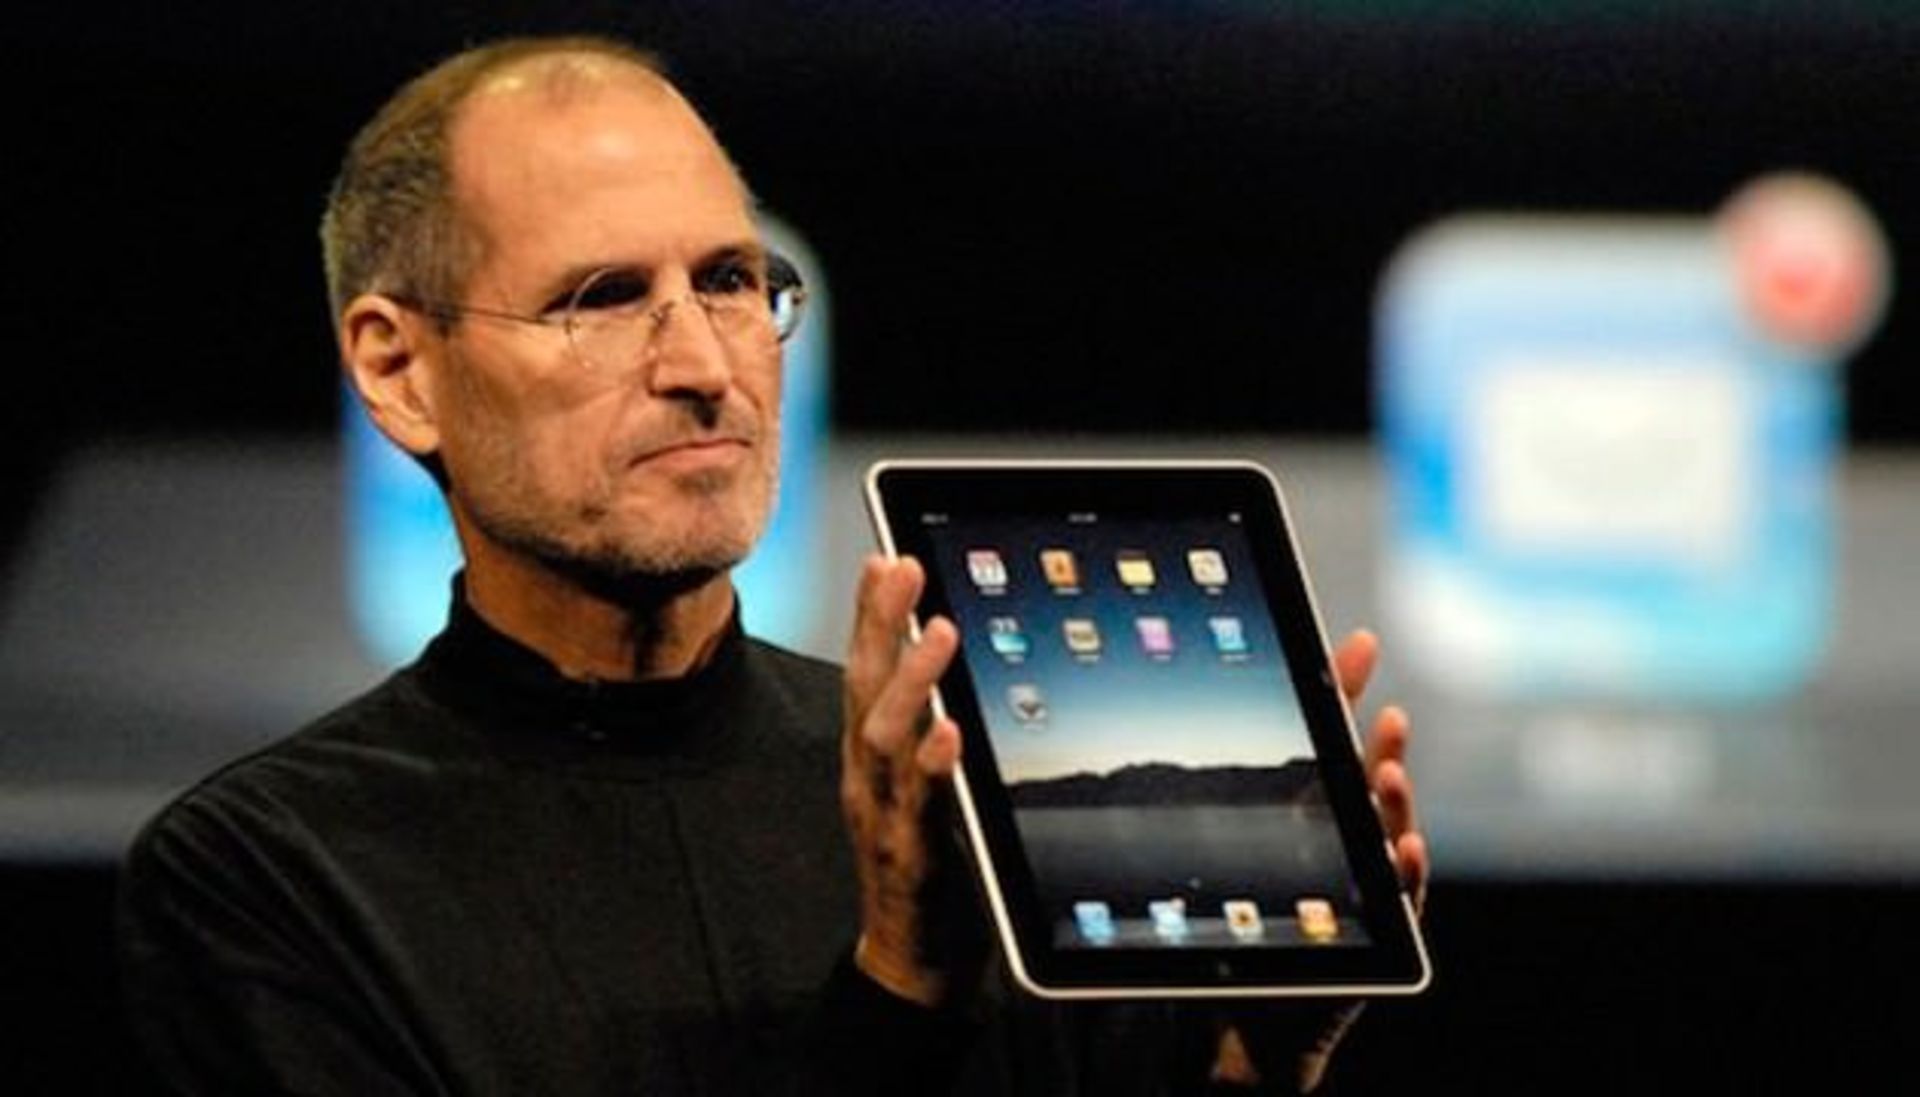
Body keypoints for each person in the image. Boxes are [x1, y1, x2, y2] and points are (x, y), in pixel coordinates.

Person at [115, 34, 1428, 1095]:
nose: (704, 366)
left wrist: (1253, 1069)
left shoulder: (971, 794)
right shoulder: (269, 877)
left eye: (734, 281)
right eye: (602, 298)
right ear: (400, 369)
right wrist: (901, 988)